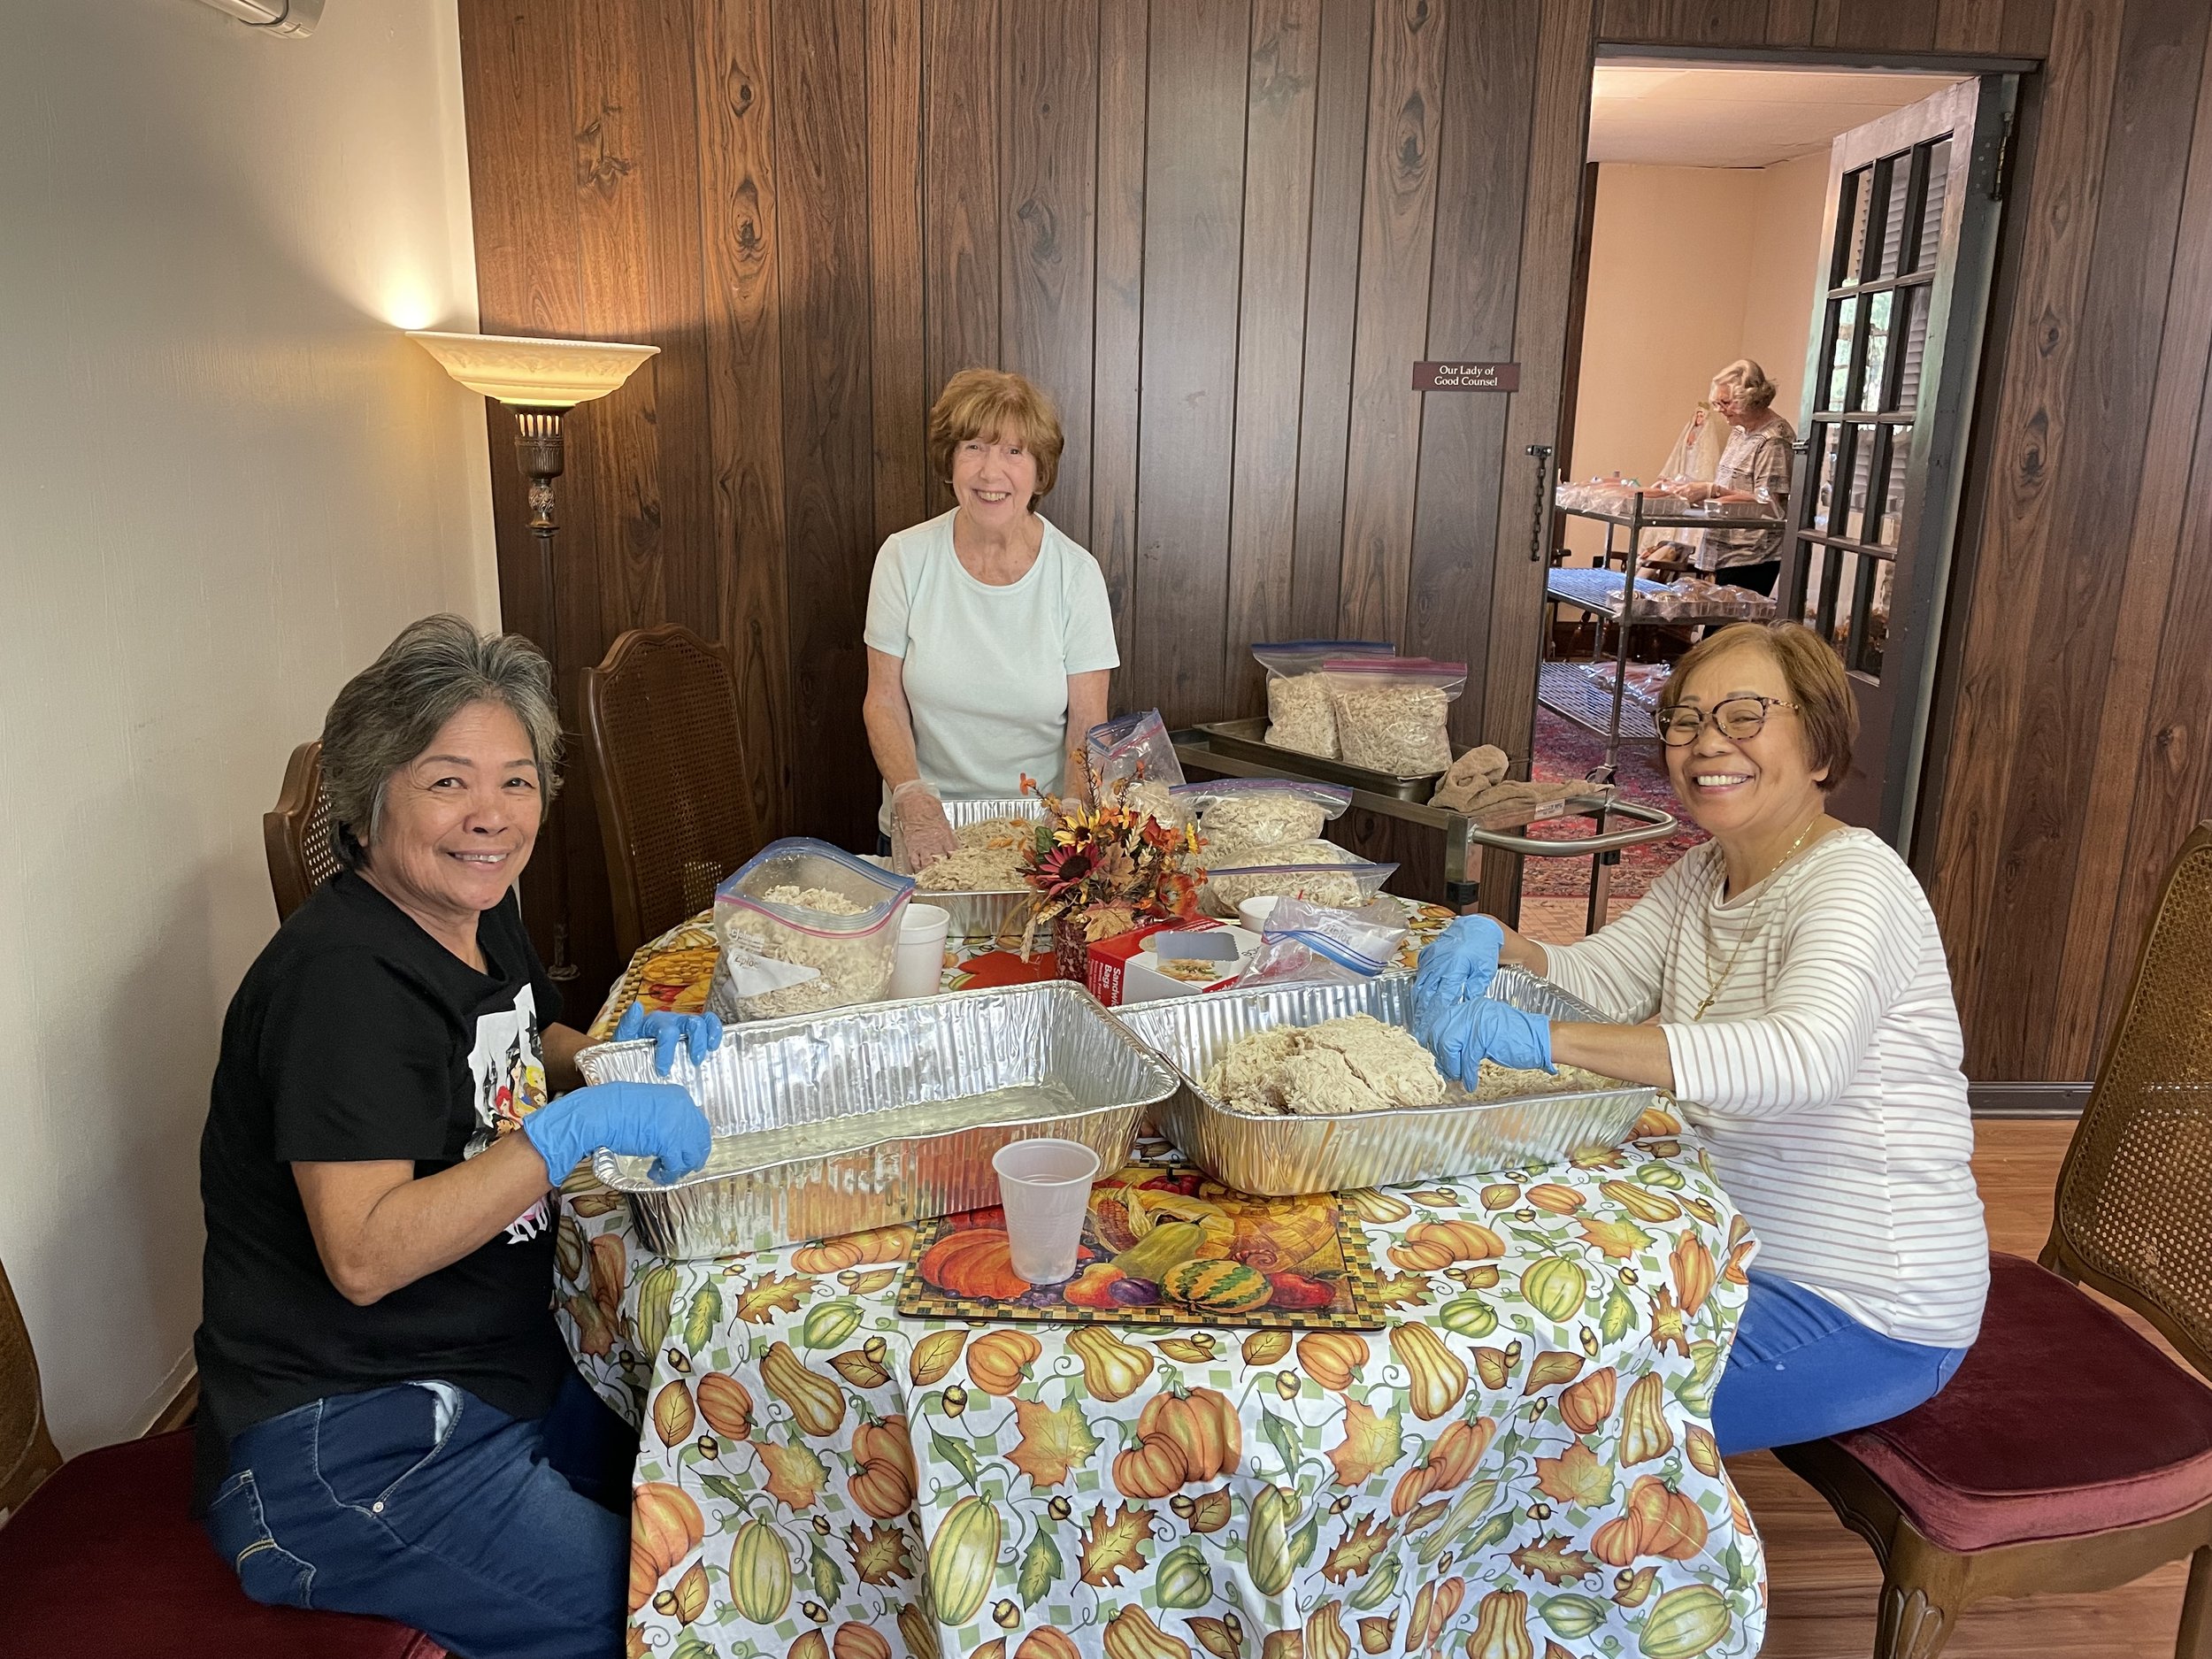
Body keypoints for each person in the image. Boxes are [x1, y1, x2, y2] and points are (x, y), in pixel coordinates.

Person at [194, 616, 722, 1659]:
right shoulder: (341, 984)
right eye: (447, 782)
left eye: (516, 781)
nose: (490, 816)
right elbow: (364, 1252)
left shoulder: (472, 907)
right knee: (677, 1617)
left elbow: (523, 1042)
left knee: (738, 1488)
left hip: (495, 1372)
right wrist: (577, 1128)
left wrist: (610, 1057)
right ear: (368, 799)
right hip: (343, 1448)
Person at [1413, 622, 1985, 1453]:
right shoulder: (1706, 869)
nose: (1707, 741)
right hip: (1730, 1251)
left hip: (1862, 1304)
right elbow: (1603, 979)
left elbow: (1802, 1058)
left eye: (1745, 715)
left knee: (1561, 1424)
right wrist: (1506, 943)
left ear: (1821, 749)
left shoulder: (1857, 882)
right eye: (1684, 720)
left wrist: (1545, 1037)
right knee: (1513, 1331)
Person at [863, 368, 1119, 871]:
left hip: (1037, 840)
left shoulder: (1076, 574)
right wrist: (911, 798)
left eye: (1013, 452)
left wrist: (1072, 819)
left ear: (1039, 470)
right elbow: (883, 699)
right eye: (973, 447)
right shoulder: (904, 557)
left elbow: (1088, 723)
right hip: (922, 832)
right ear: (950, 461)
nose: (990, 472)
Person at [1666, 359, 1796, 596]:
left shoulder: (1773, 440)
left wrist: (1712, 491)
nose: (1719, 409)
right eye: (1717, 402)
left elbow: (1770, 506)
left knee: (1728, 632)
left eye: (1725, 403)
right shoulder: (1739, 431)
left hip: (1751, 557)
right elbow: (1731, 488)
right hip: (1725, 551)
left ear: (1752, 399)